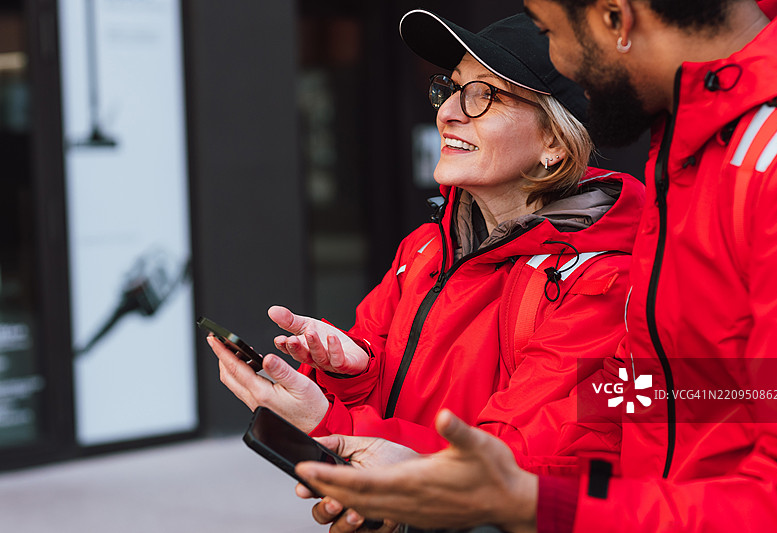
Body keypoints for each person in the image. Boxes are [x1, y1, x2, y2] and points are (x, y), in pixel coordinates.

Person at [292, 0, 777, 531]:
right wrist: (343, 387)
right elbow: (663, 403)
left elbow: (532, 449)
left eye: (552, 31)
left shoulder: (615, 264)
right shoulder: (425, 248)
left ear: (615, 18)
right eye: (451, 89)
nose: (565, 63)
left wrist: (339, 430)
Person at [207, 9, 644, 478]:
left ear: (554, 142)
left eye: (483, 96)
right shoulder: (424, 247)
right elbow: (387, 392)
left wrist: (328, 424)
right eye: (452, 88)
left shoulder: (604, 282)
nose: (447, 112)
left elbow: (507, 466)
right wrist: (351, 370)